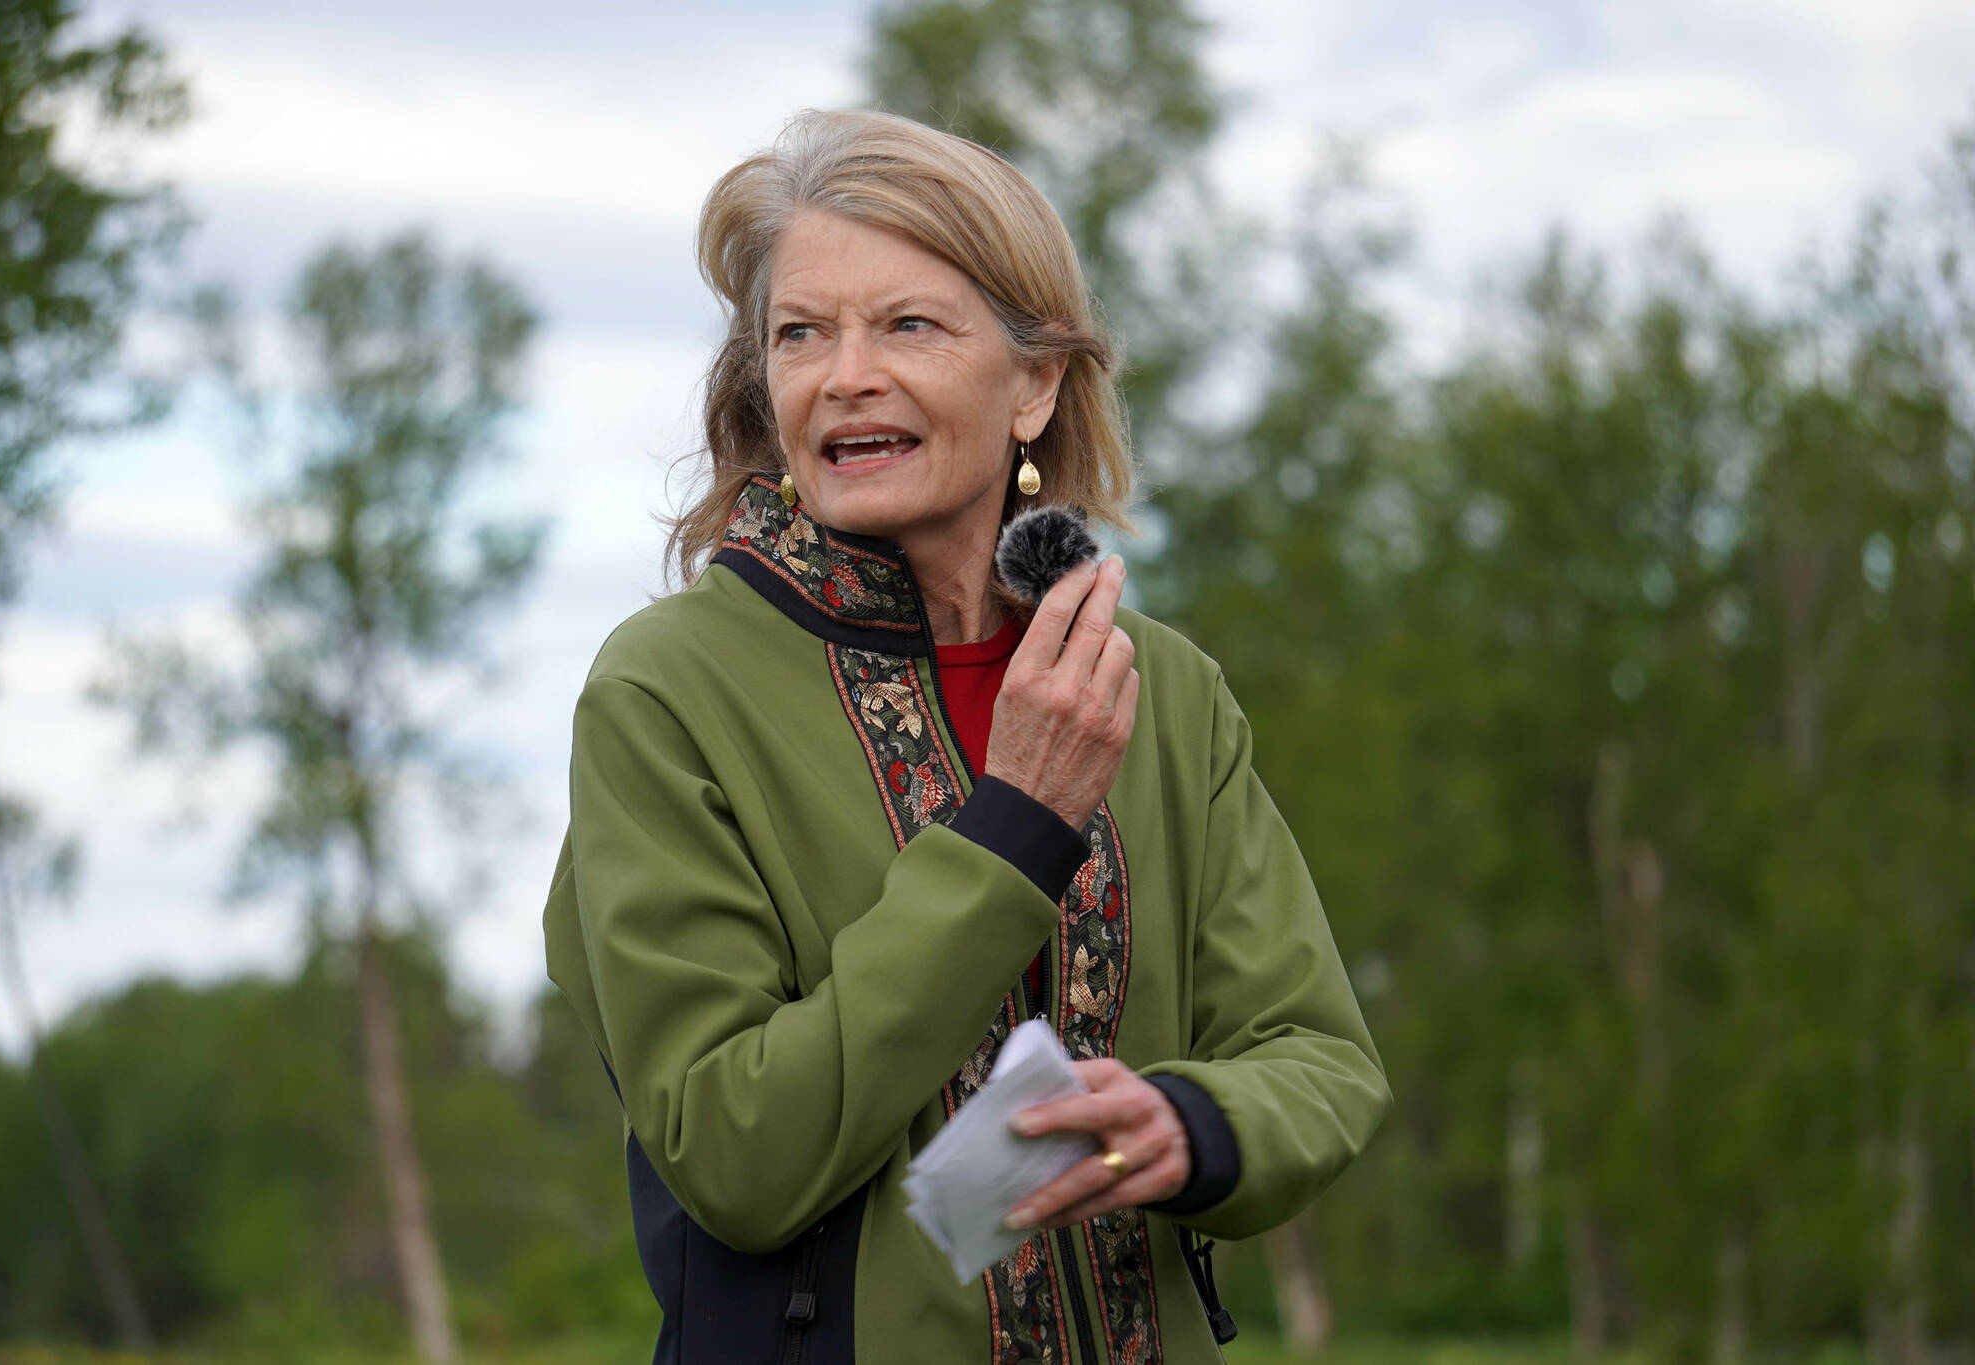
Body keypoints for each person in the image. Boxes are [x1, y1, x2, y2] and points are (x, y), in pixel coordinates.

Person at [541, 107, 1391, 1365]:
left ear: (1035, 383)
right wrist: (1012, 832)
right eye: (799, 334)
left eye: (907, 325)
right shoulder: (666, 693)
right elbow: (733, 1151)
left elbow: (1319, 1057)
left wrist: (1188, 1123)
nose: (844, 375)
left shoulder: (1158, 687)